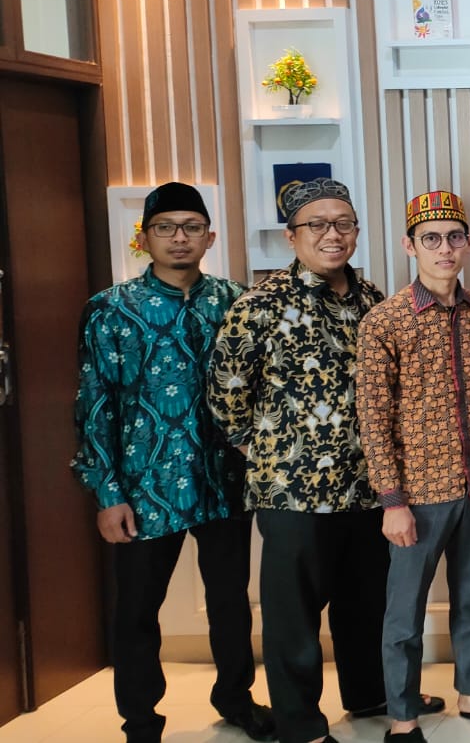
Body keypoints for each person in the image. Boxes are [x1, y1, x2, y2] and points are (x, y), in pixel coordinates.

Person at [208, 178, 432, 743]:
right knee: (295, 617)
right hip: (292, 491)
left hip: (369, 486)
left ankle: (370, 693)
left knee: (366, 602)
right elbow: (227, 394)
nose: (333, 234)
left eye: (344, 223)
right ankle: (301, 725)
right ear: (292, 235)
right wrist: (265, 451)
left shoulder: (373, 300)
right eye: (318, 224)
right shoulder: (259, 305)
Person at [71, 182, 274, 743]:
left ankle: (236, 698)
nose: (179, 238)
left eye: (191, 227)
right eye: (165, 227)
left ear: (210, 237)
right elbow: (94, 404)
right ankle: (140, 722)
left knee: (230, 602)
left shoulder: (235, 302)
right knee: (138, 609)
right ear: (145, 237)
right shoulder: (110, 309)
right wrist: (107, 494)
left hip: (225, 482)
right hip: (145, 487)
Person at [355, 190, 470, 742]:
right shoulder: (385, 321)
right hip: (417, 495)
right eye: (431, 238)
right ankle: (403, 716)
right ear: (410, 246)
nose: (444, 248)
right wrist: (392, 501)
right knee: (404, 613)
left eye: (454, 237)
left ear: (468, 242)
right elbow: (373, 417)